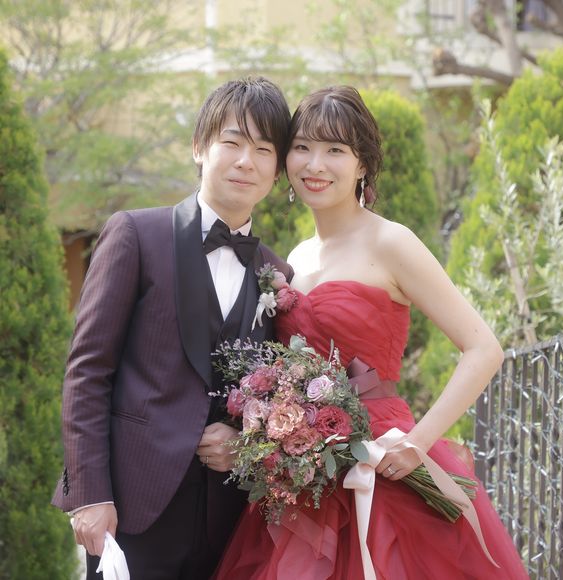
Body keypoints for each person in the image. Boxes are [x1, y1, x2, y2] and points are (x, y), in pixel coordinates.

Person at [213, 86, 529, 579]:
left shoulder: (391, 241)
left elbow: (483, 348)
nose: (315, 164)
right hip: (309, 476)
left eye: (335, 150)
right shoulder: (296, 258)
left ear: (362, 164)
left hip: (385, 460)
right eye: (303, 147)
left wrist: (419, 442)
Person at [52, 77, 293, 580]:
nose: (245, 161)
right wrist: (90, 495)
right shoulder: (137, 235)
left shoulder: (277, 274)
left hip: (231, 523)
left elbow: (274, 395)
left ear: (277, 170)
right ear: (199, 147)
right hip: (131, 510)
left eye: (263, 149)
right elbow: (88, 370)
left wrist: (245, 443)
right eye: (232, 142)